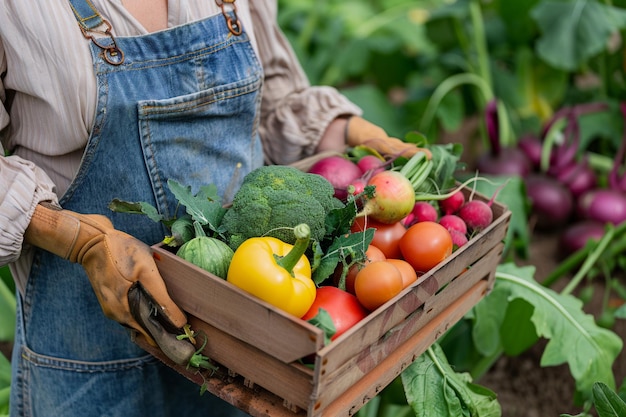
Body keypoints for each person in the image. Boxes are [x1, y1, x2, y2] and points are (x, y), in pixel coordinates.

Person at [0, 1, 419, 416]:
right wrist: (82, 242)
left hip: (245, 357)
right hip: (91, 352)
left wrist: (343, 133)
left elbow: (271, 97)